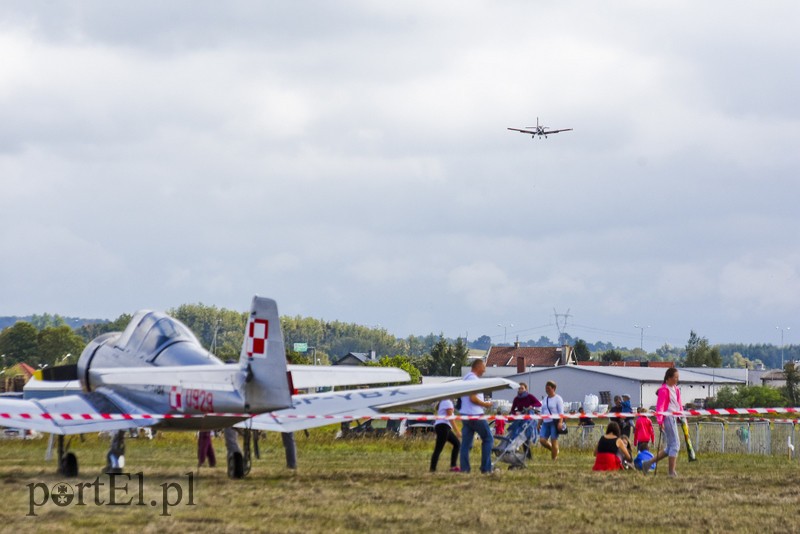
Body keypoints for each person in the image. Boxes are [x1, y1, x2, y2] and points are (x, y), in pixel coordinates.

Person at [643, 367, 682, 477]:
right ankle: (671, 472)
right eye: (676, 377)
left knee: (670, 447)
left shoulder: (676, 390)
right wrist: (660, 421)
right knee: (675, 445)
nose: (677, 379)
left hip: (674, 418)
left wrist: (683, 418)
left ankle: (648, 463)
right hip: (668, 418)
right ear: (669, 378)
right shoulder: (664, 390)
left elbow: (679, 405)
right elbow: (660, 407)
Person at [459, 360, 495, 474]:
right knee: (488, 439)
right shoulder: (473, 379)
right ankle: (486, 468)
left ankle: (465, 469)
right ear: (478, 366)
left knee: (466, 444)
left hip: (465, 414)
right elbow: (473, 398)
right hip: (475, 414)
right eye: (484, 367)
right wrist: (486, 404)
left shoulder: (465, 378)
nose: (485, 370)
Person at [509, 383, 542, 458]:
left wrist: (532, 406)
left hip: (529, 420)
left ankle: (528, 455)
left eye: (522, 388)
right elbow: (512, 410)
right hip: (520, 420)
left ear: (526, 389)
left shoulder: (530, 396)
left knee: (526, 436)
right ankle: (527, 455)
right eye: (519, 388)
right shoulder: (516, 399)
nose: (520, 390)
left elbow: (538, 404)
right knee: (520, 436)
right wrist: (516, 412)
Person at [430, 398, 462, 472]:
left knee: (457, 444)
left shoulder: (444, 401)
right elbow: (450, 417)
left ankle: (453, 466)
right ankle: (432, 469)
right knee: (438, 449)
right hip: (443, 427)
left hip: (444, 427)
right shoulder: (447, 402)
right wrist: (457, 431)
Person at [539, 380, 565, 461]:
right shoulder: (545, 399)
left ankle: (554, 459)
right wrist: (539, 423)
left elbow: (561, 412)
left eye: (548, 388)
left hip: (554, 422)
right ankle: (554, 450)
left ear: (553, 388)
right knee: (542, 440)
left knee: (554, 441)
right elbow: (542, 412)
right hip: (546, 422)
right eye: (546, 388)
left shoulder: (558, 399)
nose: (547, 390)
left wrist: (560, 422)